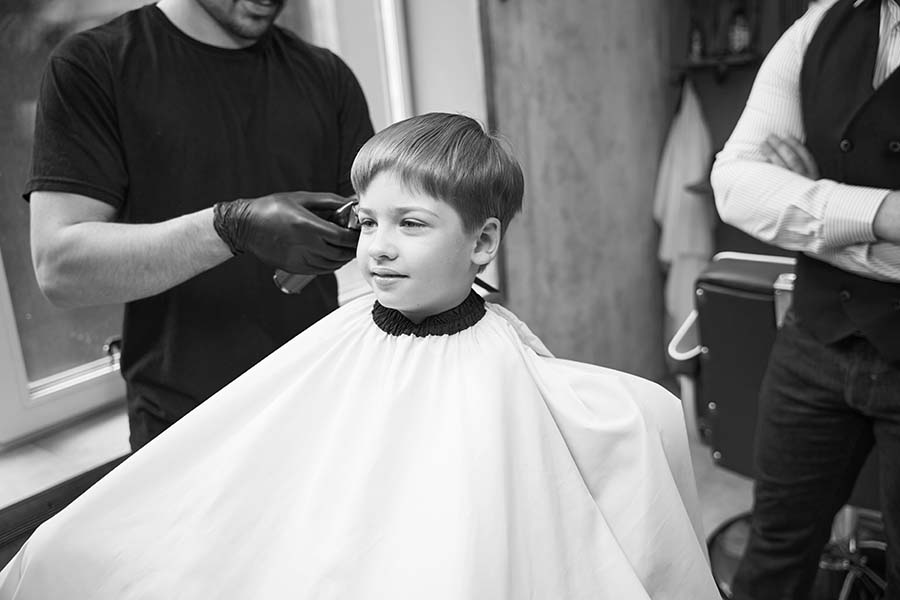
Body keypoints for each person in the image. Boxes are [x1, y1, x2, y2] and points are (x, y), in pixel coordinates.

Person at [0, 113, 720, 599]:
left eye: (410, 224)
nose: (377, 245)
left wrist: (646, 410)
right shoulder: (335, 343)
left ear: (483, 244)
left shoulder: (500, 362)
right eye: (367, 221)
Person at [26, 0, 374, 450]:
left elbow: (371, 219)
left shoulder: (327, 76)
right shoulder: (94, 67)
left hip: (316, 403)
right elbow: (60, 268)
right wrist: (228, 228)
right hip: (181, 430)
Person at [711, 0, 900, 597]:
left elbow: (774, 201)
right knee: (775, 551)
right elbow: (736, 186)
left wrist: (812, 203)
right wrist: (884, 212)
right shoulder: (819, 25)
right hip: (815, 339)